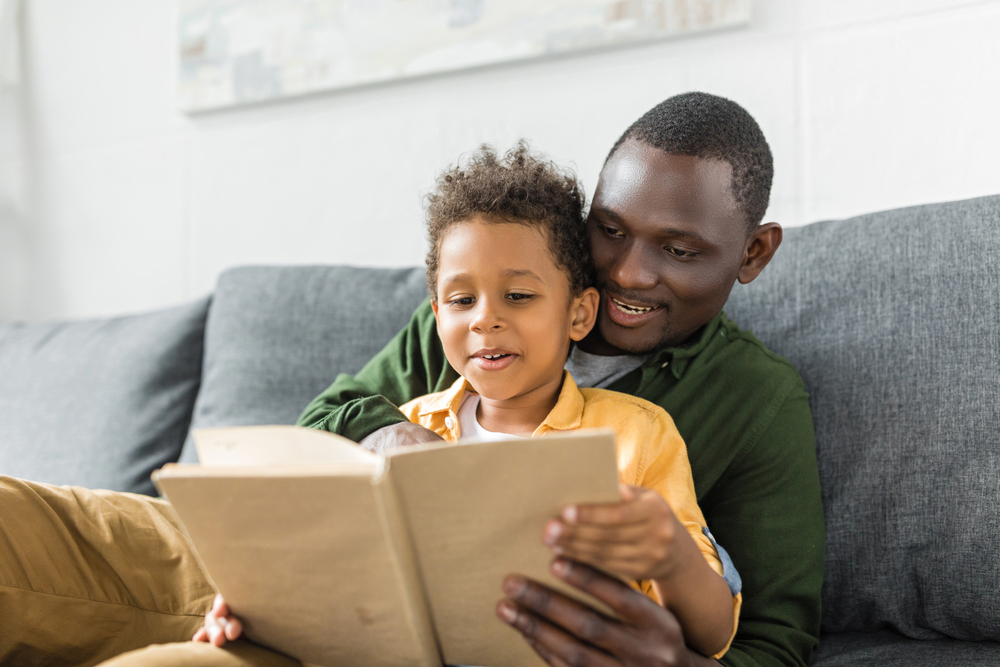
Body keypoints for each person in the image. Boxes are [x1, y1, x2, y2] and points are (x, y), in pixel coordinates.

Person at [296, 92, 825, 667]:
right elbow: (322, 424)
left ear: (753, 253)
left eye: (677, 250)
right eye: (611, 230)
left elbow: (775, 643)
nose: (627, 273)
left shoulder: (750, 400)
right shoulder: (470, 320)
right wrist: (395, 438)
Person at [197, 144, 744, 661]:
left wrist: (671, 555)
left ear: (579, 314)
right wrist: (258, 607)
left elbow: (713, 633)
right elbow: (327, 566)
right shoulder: (407, 428)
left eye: (519, 296)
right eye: (462, 300)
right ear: (437, 318)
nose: (485, 318)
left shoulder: (636, 434)